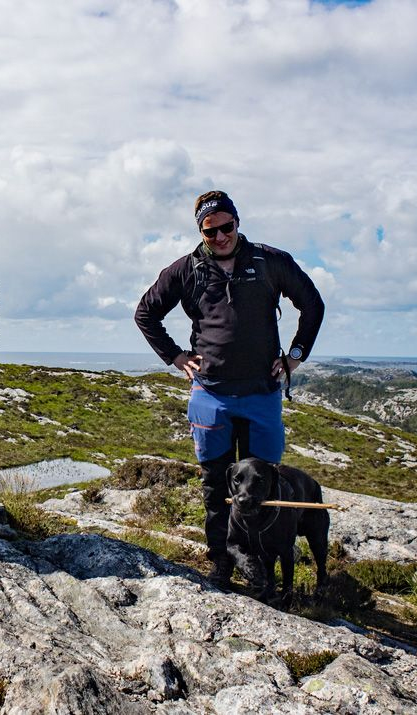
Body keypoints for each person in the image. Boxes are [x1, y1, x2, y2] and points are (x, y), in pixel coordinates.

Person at [134, 189, 325, 586]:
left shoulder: (270, 261)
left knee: (265, 487)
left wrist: (295, 355)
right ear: (200, 232)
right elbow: (146, 312)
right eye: (210, 231)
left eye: (226, 227)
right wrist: (175, 357)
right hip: (211, 396)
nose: (220, 237)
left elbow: (312, 304)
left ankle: (262, 570)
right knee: (215, 487)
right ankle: (222, 562)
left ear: (237, 223)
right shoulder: (185, 270)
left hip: (261, 393)